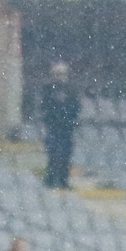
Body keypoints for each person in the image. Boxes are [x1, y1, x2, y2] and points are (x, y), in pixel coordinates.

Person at [42, 61, 80, 190]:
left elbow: (76, 107)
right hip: (53, 126)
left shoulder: (72, 90)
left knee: (65, 154)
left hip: (66, 128)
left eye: (62, 73)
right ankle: (51, 179)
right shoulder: (48, 89)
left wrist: (68, 119)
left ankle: (63, 180)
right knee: (52, 154)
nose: (60, 77)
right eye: (57, 74)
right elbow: (44, 106)